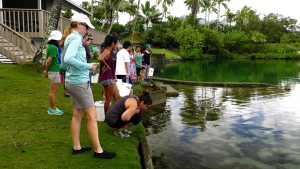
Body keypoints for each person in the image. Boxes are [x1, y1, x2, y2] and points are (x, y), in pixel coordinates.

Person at [62, 13, 116, 159]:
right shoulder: (75, 37)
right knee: (92, 116)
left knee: (77, 114)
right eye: (86, 27)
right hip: (79, 82)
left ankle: (77, 147)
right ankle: (98, 151)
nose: (87, 30)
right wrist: (88, 66)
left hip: (72, 81)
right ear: (79, 25)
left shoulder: (69, 37)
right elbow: (67, 58)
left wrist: (74, 71)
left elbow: (64, 62)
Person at [42, 30, 64, 115]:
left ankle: (52, 108)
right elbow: (48, 61)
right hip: (54, 71)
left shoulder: (50, 46)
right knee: (53, 92)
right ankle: (52, 109)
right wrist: (46, 70)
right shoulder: (54, 48)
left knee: (52, 90)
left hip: (53, 70)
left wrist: (47, 70)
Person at [98, 35, 121, 113]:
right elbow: (100, 58)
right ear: (112, 43)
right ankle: (107, 118)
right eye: (117, 44)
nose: (117, 46)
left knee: (117, 97)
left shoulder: (109, 51)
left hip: (110, 78)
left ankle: (116, 114)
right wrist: (106, 65)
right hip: (107, 78)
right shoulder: (107, 50)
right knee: (108, 100)